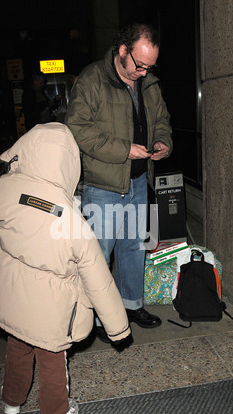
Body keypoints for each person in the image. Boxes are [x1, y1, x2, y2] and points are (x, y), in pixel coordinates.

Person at [0, 122, 131, 414]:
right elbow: (98, 280)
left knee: (17, 344)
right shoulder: (72, 221)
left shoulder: (3, 189)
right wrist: (119, 329)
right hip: (51, 305)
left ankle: (11, 400)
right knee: (52, 358)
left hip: (12, 294)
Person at [65, 23, 173, 342]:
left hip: (139, 181)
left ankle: (131, 306)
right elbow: (77, 128)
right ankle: (97, 318)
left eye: (150, 66)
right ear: (123, 50)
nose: (143, 73)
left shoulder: (149, 83)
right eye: (140, 65)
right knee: (99, 255)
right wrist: (124, 149)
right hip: (103, 185)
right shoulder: (92, 79)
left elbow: (162, 122)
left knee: (133, 248)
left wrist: (164, 143)